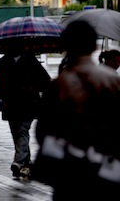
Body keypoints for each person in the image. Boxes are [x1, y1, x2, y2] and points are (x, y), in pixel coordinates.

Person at [36, 21, 120, 200]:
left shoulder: (58, 86)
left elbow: (43, 131)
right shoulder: (112, 80)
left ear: (65, 46)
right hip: (105, 169)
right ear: (95, 46)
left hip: (68, 173)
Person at [0, 42, 51, 179]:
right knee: (17, 133)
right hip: (11, 104)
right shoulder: (3, 63)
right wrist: (1, 95)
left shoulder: (30, 61)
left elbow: (45, 80)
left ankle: (18, 161)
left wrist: (33, 88)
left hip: (28, 103)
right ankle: (26, 163)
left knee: (22, 131)